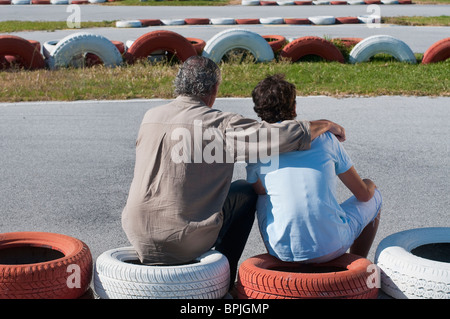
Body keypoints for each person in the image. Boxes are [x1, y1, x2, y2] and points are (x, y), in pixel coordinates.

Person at [121, 57, 346, 288]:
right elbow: (276, 136)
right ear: (214, 89)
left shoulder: (150, 117)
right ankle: (222, 281)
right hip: (183, 241)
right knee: (245, 192)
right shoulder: (218, 125)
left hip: (137, 232)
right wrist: (324, 125)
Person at [246, 74, 382, 263]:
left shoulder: (255, 147)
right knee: (374, 196)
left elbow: (260, 190)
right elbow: (363, 195)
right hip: (332, 247)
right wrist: (370, 184)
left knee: (262, 196)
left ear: (258, 110)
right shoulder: (325, 139)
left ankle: (287, 247)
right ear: (293, 107)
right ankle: (354, 266)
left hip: (279, 250)